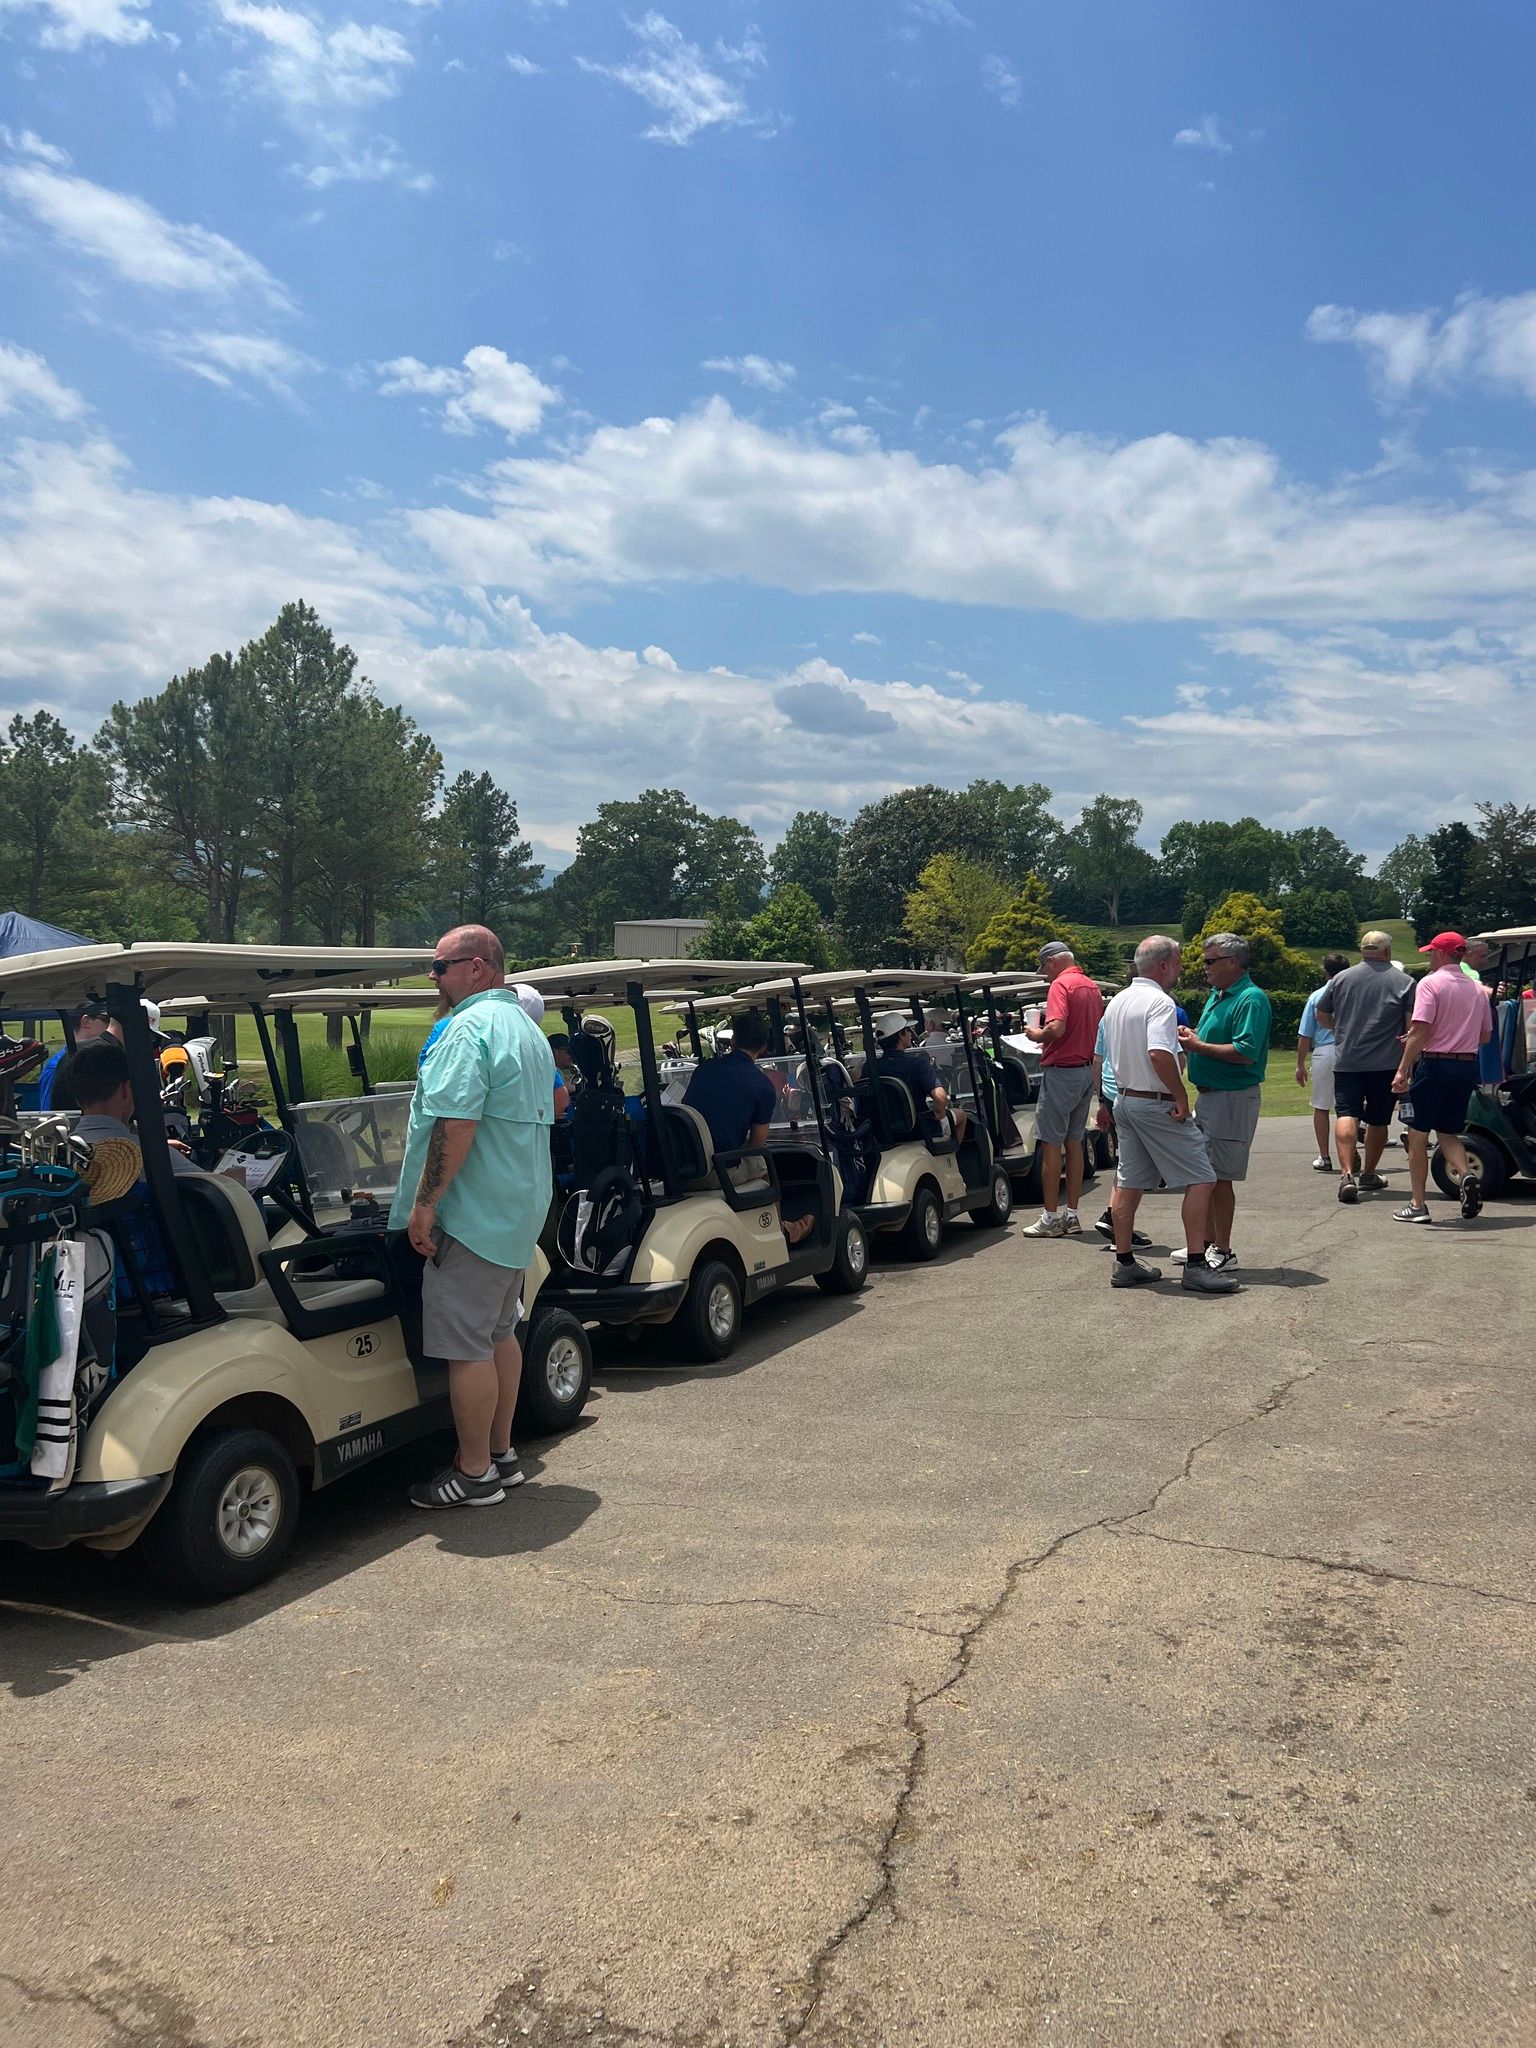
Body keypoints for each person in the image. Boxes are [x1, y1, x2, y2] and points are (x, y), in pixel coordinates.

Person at [392, 924, 555, 1510]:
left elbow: (455, 1123)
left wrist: (426, 1201)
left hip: (476, 1212)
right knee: (498, 1332)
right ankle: (503, 1453)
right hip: (517, 1208)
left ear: (477, 968)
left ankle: (475, 1471)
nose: (433, 977)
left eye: (440, 966)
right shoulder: (525, 1030)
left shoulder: (469, 1029)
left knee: (467, 1348)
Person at [1099, 936, 1237, 1294]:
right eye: (1177, 963)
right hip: (1154, 1101)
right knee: (1203, 1177)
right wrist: (1179, 1095)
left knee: (1129, 1183)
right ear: (1162, 965)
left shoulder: (1117, 1002)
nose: (1181, 969)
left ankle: (1125, 1261)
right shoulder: (1160, 1002)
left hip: (1125, 1099)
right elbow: (1159, 1053)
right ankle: (1195, 1263)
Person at [1175, 933, 1272, 1272]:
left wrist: (1198, 1047)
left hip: (1232, 1097)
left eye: (1210, 961)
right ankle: (1203, 1243)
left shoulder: (1250, 999)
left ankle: (1224, 1250)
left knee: (1220, 1176)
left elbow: (1245, 1052)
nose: (1204, 968)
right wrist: (1195, 1039)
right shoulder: (1220, 994)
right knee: (1206, 1172)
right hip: (1213, 1096)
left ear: (1233, 961)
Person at [682, 1010, 814, 1244]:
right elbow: (757, 1142)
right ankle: (780, 1229)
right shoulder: (761, 1086)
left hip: (683, 1167)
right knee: (762, 1162)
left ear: (733, 1041)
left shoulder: (703, 1070)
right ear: (763, 1047)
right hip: (717, 1172)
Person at [1392, 932, 1492, 1224]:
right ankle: (1466, 1173)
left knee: (1418, 1135)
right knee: (1448, 1132)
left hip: (1435, 1064)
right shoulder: (1476, 989)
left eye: (1431, 953)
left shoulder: (1430, 983)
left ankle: (1418, 1204)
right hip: (1466, 1065)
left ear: (1440, 954)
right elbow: (1484, 1035)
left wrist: (1402, 1069)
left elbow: (1421, 1030)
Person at [1315, 933, 1413, 1204]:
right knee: (1379, 1120)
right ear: (1387, 951)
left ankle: (1347, 1174)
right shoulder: (1404, 982)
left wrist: (1341, 1029)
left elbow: (1321, 1015)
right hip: (1386, 1062)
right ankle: (1368, 1173)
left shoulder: (1340, 979)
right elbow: (1409, 1027)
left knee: (1346, 1113)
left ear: (1362, 951)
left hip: (1348, 1060)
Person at [1021, 942, 1105, 1240]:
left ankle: (1050, 1217)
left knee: (1050, 1144)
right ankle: (1071, 1213)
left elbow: (1055, 1029)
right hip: (1086, 1069)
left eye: (1044, 967)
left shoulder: (1061, 986)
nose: (1044, 974)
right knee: (1075, 1141)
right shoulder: (1091, 987)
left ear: (1054, 962)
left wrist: (1036, 1034)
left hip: (1062, 1070)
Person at [870, 1011, 966, 1140]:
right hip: (920, 1128)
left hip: (882, 1132)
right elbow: (941, 1097)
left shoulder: (869, 1067)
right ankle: (952, 1156)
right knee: (961, 1115)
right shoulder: (917, 1064)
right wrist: (939, 1113)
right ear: (900, 1034)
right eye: (908, 1030)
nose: (911, 1034)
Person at [1295, 952, 1351, 1173]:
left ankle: (1324, 1155)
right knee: (1348, 1107)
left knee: (1321, 1106)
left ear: (1325, 971)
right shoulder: (1353, 993)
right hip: (1350, 1049)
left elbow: (1305, 1034)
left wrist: (1300, 1063)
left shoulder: (1317, 996)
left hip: (1325, 1051)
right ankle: (1349, 1151)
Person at [38, 1003, 113, 1110]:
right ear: (86, 1021)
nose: (111, 1026)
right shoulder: (55, 1067)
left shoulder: (102, 1061)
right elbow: (49, 1115)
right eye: (107, 1020)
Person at [1461, 937, 1504, 1085]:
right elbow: (1475, 986)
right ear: (1468, 954)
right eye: (1482, 956)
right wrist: (1492, 992)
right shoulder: (1466, 970)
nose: (1485, 961)